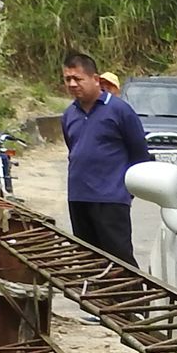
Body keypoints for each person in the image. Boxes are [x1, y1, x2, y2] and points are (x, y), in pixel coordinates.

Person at [59, 51, 151, 265]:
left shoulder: (120, 111)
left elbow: (139, 155)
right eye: (67, 79)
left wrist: (128, 190)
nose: (72, 84)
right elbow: (74, 149)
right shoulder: (69, 114)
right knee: (87, 259)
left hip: (111, 199)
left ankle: (132, 297)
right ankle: (96, 299)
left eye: (78, 78)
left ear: (95, 79)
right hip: (79, 197)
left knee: (119, 260)